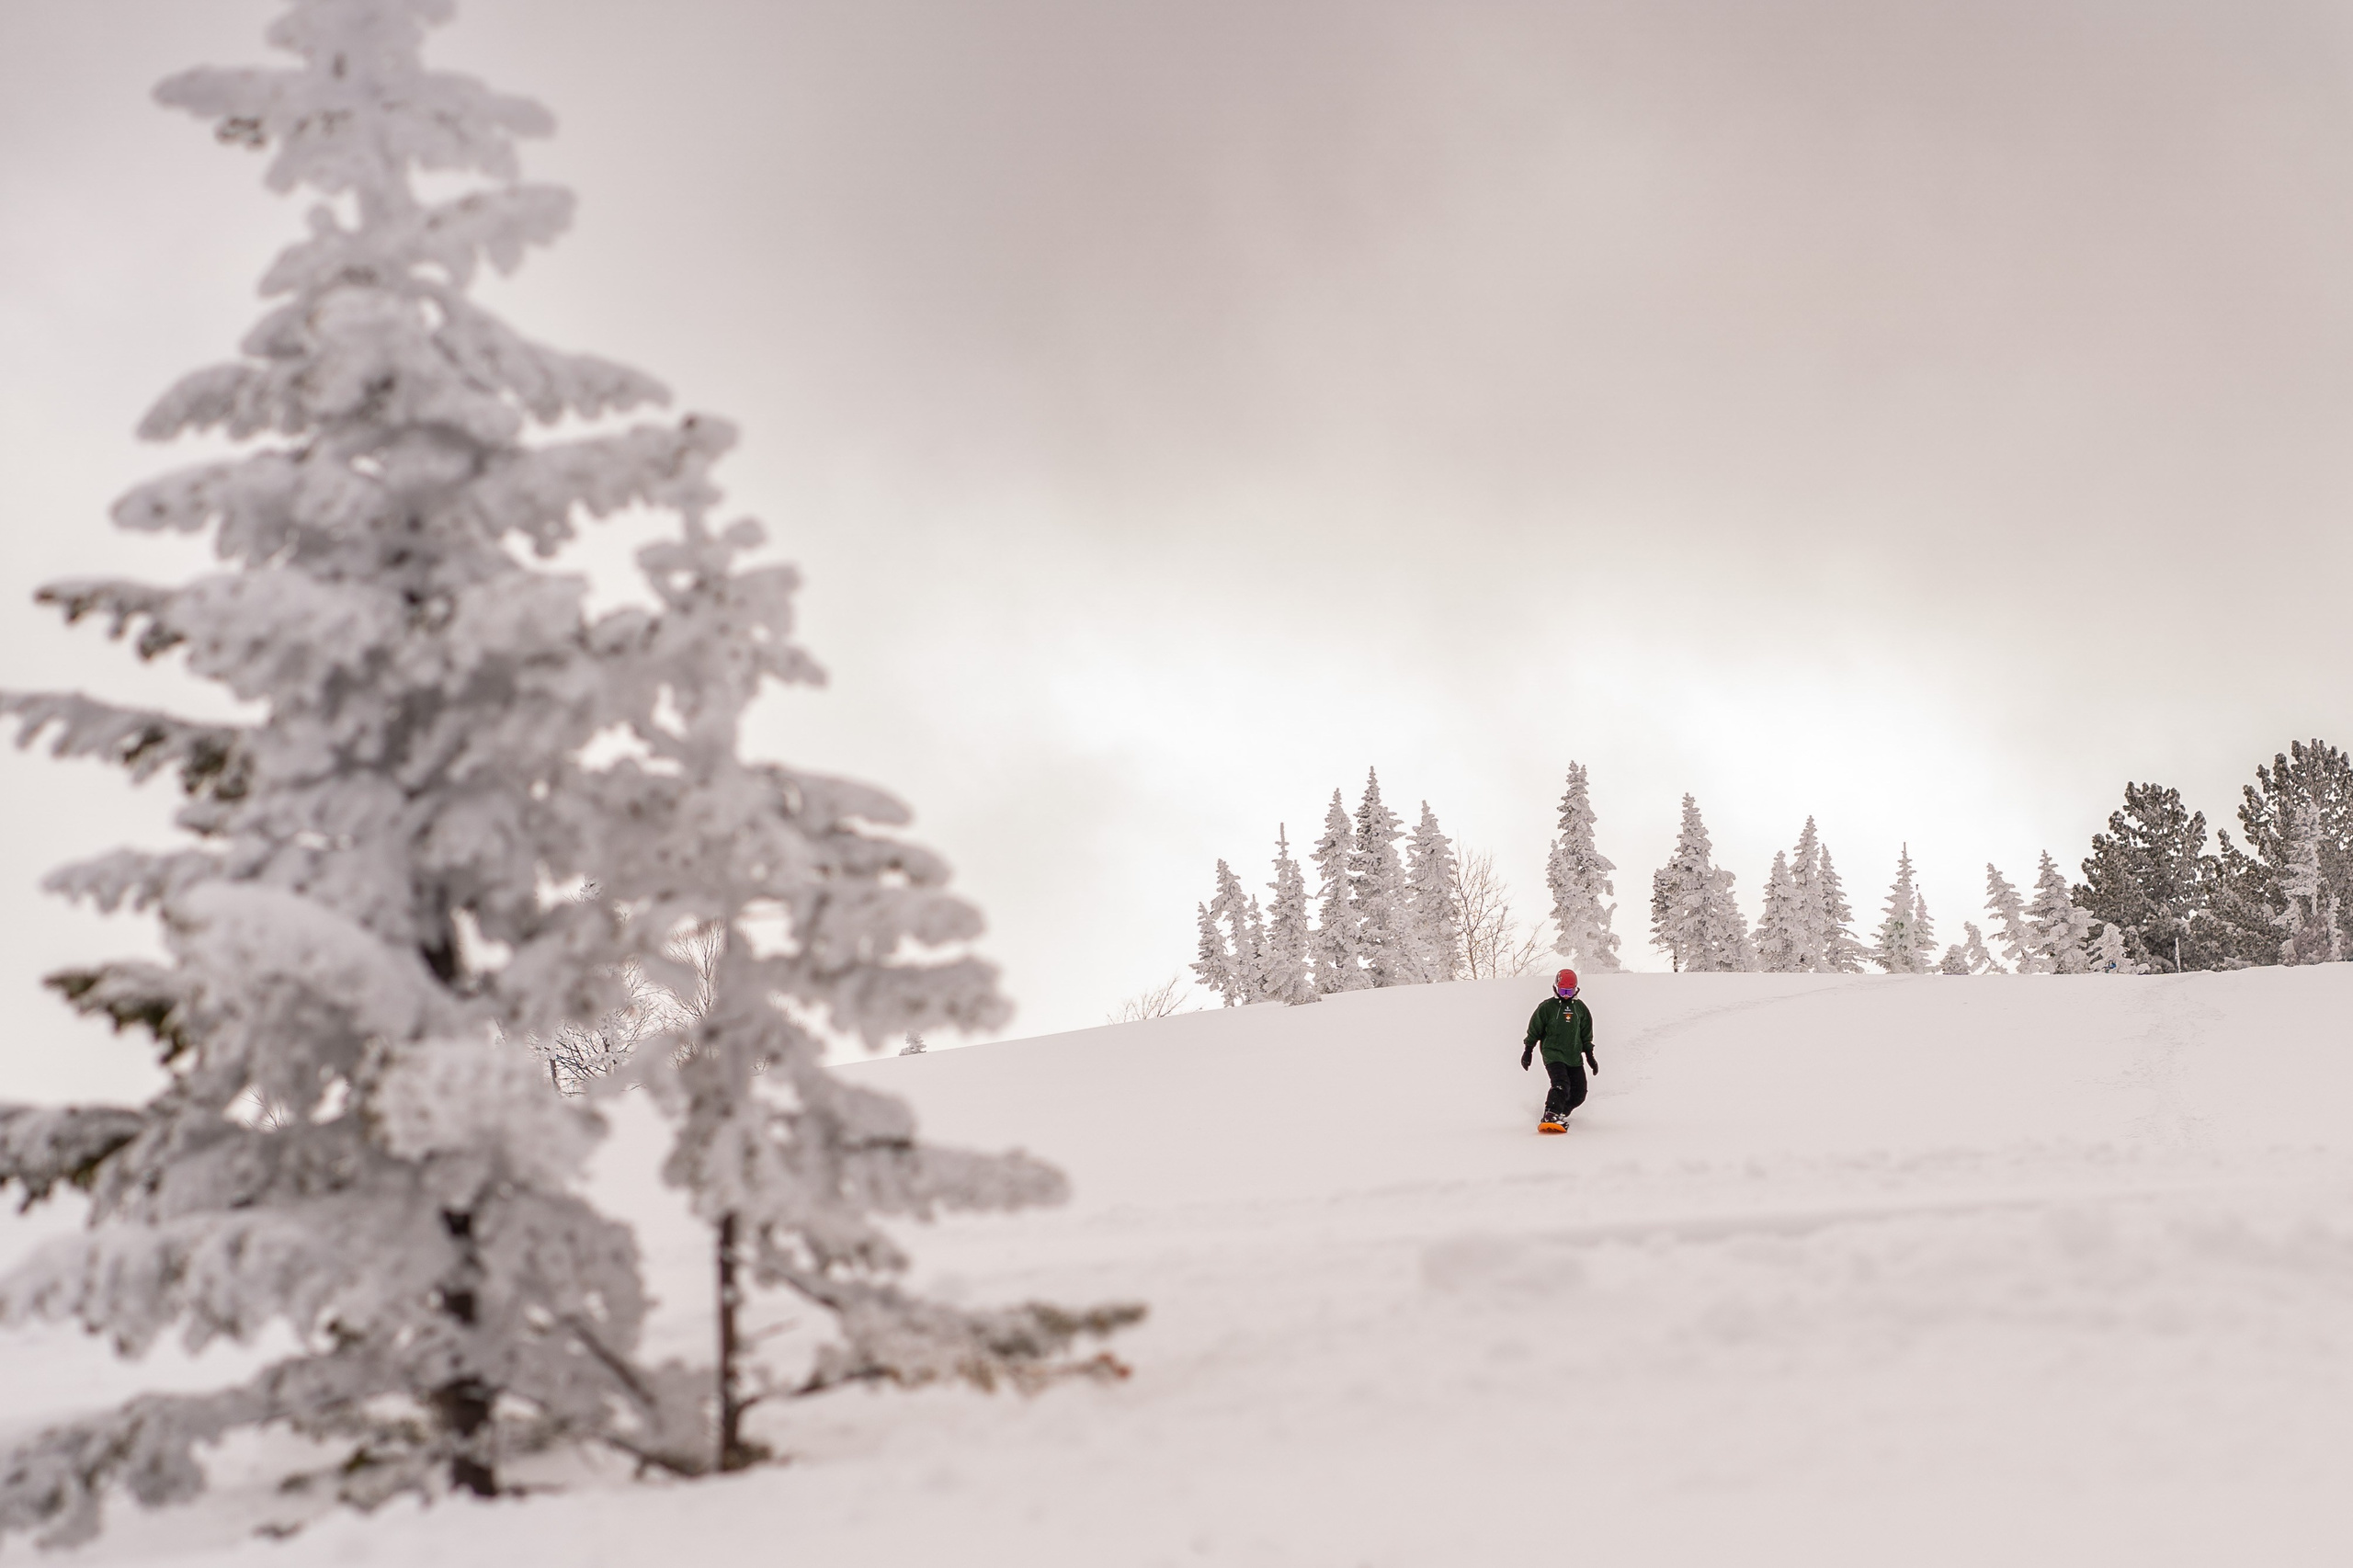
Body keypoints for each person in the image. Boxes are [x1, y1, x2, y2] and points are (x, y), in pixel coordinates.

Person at [1521, 968, 1597, 1133]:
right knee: (1561, 1084)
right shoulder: (1547, 1007)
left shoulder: (1580, 1009)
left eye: (1569, 991)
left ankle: (1560, 1113)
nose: (1565, 995)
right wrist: (1528, 1050)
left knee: (1579, 1093)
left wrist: (1590, 1055)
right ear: (1556, 987)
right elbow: (1534, 1029)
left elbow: (1586, 1034)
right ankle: (1551, 1113)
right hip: (1553, 1053)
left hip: (1574, 1056)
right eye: (1562, 990)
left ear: (1576, 989)